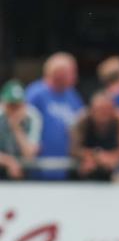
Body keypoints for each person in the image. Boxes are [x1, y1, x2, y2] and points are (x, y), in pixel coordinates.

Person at [25, 52, 84, 180]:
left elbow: (81, 125)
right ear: (58, 73)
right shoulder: (36, 94)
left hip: (65, 166)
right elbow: (25, 124)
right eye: (72, 72)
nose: (75, 76)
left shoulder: (73, 96)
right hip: (38, 166)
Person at [70, 92, 119, 181]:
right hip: (87, 167)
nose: (103, 113)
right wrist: (94, 156)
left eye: (107, 110)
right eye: (99, 110)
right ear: (91, 110)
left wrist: (112, 157)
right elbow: (73, 149)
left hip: (114, 169)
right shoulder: (82, 121)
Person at [0, 80, 41, 179]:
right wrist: (9, 162)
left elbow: (30, 154)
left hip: (25, 173)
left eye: (18, 105)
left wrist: (16, 128)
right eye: (11, 105)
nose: (14, 110)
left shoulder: (33, 117)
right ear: (3, 103)